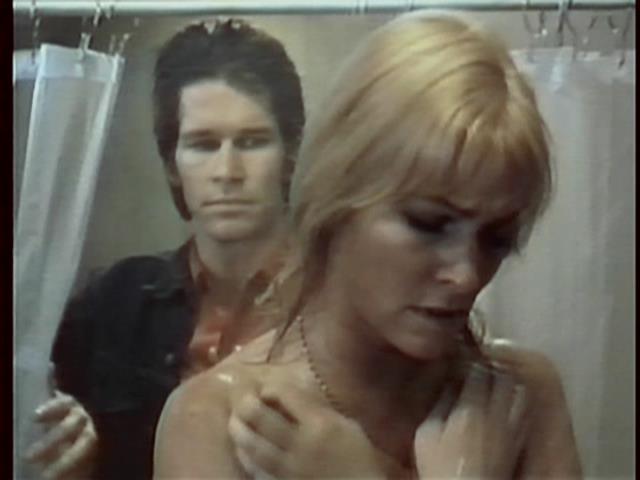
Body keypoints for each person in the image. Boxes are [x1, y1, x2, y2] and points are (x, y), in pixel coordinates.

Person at [154, 11, 584, 480]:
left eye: (496, 239)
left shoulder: (521, 397)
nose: (467, 275)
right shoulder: (220, 417)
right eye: (428, 224)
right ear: (337, 197)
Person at [24, 19, 305, 480]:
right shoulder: (114, 302)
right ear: (173, 163)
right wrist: (82, 459)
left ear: (288, 153)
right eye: (203, 144)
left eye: (252, 142)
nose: (228, 171)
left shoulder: (334, 298)